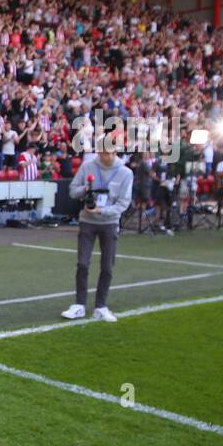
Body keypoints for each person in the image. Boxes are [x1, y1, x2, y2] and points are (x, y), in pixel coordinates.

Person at [62, 138, 133, 322]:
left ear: (115, 152)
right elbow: (72, 190)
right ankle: (79, 304)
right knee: (83, 263)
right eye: (102, 153)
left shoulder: (125, 173)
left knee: (107, 266)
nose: (105, 157)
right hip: (87, 220)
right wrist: (85, 189)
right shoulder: (87, 167)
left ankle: (101, 306)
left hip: (109, 223)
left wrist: (102, 211)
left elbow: (123, 203)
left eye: (109, 153)